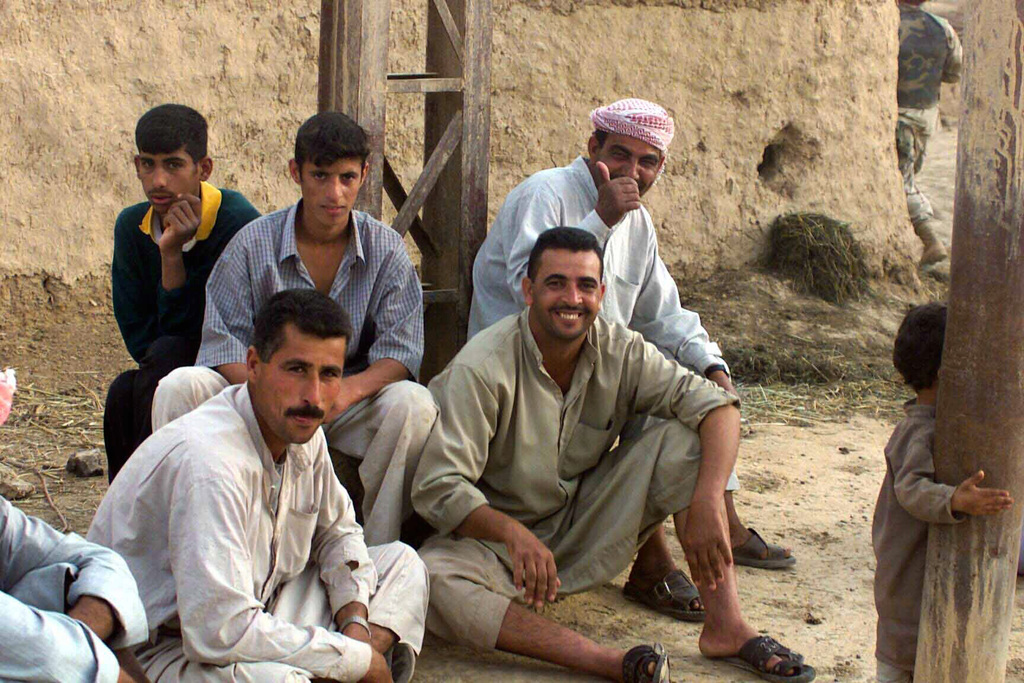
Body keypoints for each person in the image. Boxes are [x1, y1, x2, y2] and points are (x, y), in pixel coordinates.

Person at [414, 228, 815, 683]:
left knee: (683, 441)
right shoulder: (483, 367)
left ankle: (727, 626)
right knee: (433, 577)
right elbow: (439, 486)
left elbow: (717, 407)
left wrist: (707, 498)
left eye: (586, 285)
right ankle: (607, 661)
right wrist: (512, 535)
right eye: (555, 283)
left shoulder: (619, 348)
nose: (572, 299)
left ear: (602, 293)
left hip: (583, 524)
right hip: (500, 548)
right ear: (527, 291)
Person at [468, 98, 793, 620]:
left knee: (695, 391)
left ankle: (717, 549)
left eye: (648, 162)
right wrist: (601, 219)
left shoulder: (637, 225)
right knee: (651, 393)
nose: (633, 172)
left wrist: (714, 367)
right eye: (620, 155)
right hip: (525, 382)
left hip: (592, 372)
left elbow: (664, 311)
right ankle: (654, 559)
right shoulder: (544, 196)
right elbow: (532, 295)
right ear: (593, 146)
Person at [89, 289, 429, 683]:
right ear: (254, 364)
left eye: (329, 374)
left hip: (261, 613)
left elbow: (339, 535)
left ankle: (345, 668)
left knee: (403, 566)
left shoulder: (302, 432)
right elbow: (218, 633)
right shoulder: (211, 465)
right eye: (296, 370)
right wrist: (352, 660)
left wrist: (354, 627)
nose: (314, 397)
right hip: (168, 651)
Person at [151, 111, 436, 545]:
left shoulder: (386, 250)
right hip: (260, 393)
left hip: (342, 399)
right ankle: (180, 549)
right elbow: (222, 342)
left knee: (413, 405)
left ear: (363, 175)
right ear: (296, 173)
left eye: (346, 177)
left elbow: (401, 350)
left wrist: (344, 391)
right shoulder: (253, 242)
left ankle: (377, 552)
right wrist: (268, 392)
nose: (334, 193)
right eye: (320, 175)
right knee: (179, 386)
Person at [105, 104, 261, 482]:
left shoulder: (236, 220)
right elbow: (140, 335)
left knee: (167, 358)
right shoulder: (132, 227)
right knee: (123, 392)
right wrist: (169, 254)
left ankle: (151, 491)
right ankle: (128, 506)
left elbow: (221, 326)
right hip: (165, 362)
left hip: (232, 365)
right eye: (147, 164)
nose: (158, 180)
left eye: (173, 165)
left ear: (203, 169)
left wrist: (175, 256)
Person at [873, 302, 1012, 682]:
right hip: (905, 588)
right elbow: (911, 488)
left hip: (915, 584)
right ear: (945, 372)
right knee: (900, 663)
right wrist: (954, 499)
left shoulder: (944, 426)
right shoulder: (918, 432)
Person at [0, 496, 150, 682]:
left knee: (71, 581)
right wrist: (76, 647)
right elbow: (48, 657)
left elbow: (100, 559)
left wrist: (82, 632)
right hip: (159, 654)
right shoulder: (194, 477)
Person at [896, 1, 962, 265]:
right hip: (926, 116)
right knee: (908, 173)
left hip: (898, 114)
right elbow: (954, 72)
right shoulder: (943, 28)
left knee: (901, 181)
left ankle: (930, 239)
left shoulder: (892, 22)